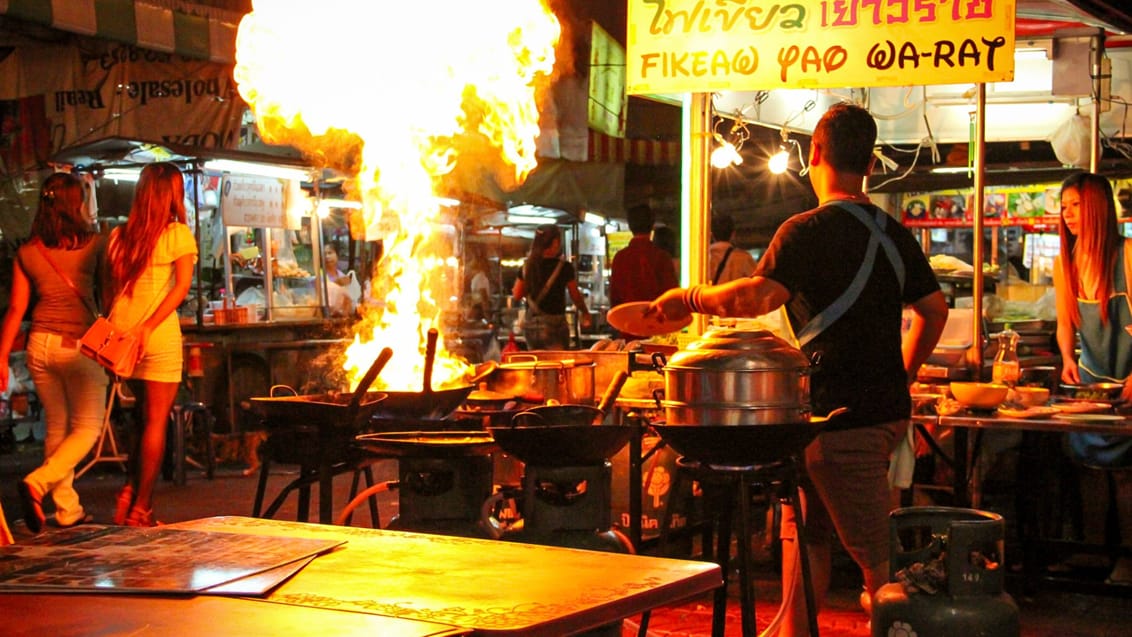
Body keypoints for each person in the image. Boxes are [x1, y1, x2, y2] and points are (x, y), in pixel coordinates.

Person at [647, 103, 948, 635]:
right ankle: (794, 630)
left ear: (814, 155)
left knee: (878, 564)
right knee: (802, 529)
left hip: (842, 419)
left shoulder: (804, 229)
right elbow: (933, 311)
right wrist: (903, 374)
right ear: (871, 164)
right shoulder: (894, 233)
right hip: (868, 414)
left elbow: (757, 296)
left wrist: (688, 297)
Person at [0, 172, 108, 532]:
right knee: (89, 427)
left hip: (39, 345)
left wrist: (1, 356)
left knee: (58, 427)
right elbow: (107, 297)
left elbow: (17, 309)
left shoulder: (28, 252)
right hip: (79, 345)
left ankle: (67, 510)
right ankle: (39, 483)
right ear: (73, 203)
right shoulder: (95, 245)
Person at [108, 162, 197, 527]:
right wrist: (148, 327)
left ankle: (131, 491)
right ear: (171, 194)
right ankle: (141, 508)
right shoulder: (177, 234)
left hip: (122, 336)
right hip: (155, 334)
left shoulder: (118, 235)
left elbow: (115, 291)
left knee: (140, 419)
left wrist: (129, 329)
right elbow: (180, 289)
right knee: (157, 422)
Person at [1053, 171, 1132, 583]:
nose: (1067, 214)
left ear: (1099, 208)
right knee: (1088, 466)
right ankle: (1092, 551)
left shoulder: (1129, 256)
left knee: (1125, 474)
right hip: (1090, 379)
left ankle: (1127, 559)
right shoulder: (1065, 260)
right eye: (1063, 206)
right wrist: (1067, 355)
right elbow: (1066, 321)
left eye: (1076, 205)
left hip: (1127, 377)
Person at [512, 224, 592, 350]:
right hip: (555, 326)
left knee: (537, 364)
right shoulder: (564, 267)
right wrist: (585, 312)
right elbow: (575, 295)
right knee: (557, 365)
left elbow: (517, 294)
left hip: (532, 326)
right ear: (555, 242)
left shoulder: (527, 266)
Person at [608, 204, 679, 340]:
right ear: (652, 225)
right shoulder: (661, 257)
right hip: (657, 333)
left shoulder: (620, 258)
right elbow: (672, 297)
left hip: (628, 331)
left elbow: (614, 299)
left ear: (630, 226)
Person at [708, 212, 758, 284]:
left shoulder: (702, 259)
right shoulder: (744, 258)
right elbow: (756, 284)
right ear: (733, 234)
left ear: (711, 235)